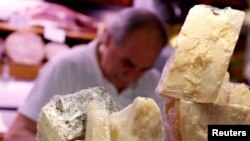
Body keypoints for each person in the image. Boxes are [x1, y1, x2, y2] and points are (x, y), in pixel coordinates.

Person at [3, 7, 167, 141]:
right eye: (127, 63)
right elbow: (18, 133)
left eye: (144, 69)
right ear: (108, 39)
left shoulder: (153, 82)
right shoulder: (66, 68)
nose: (133, 76)